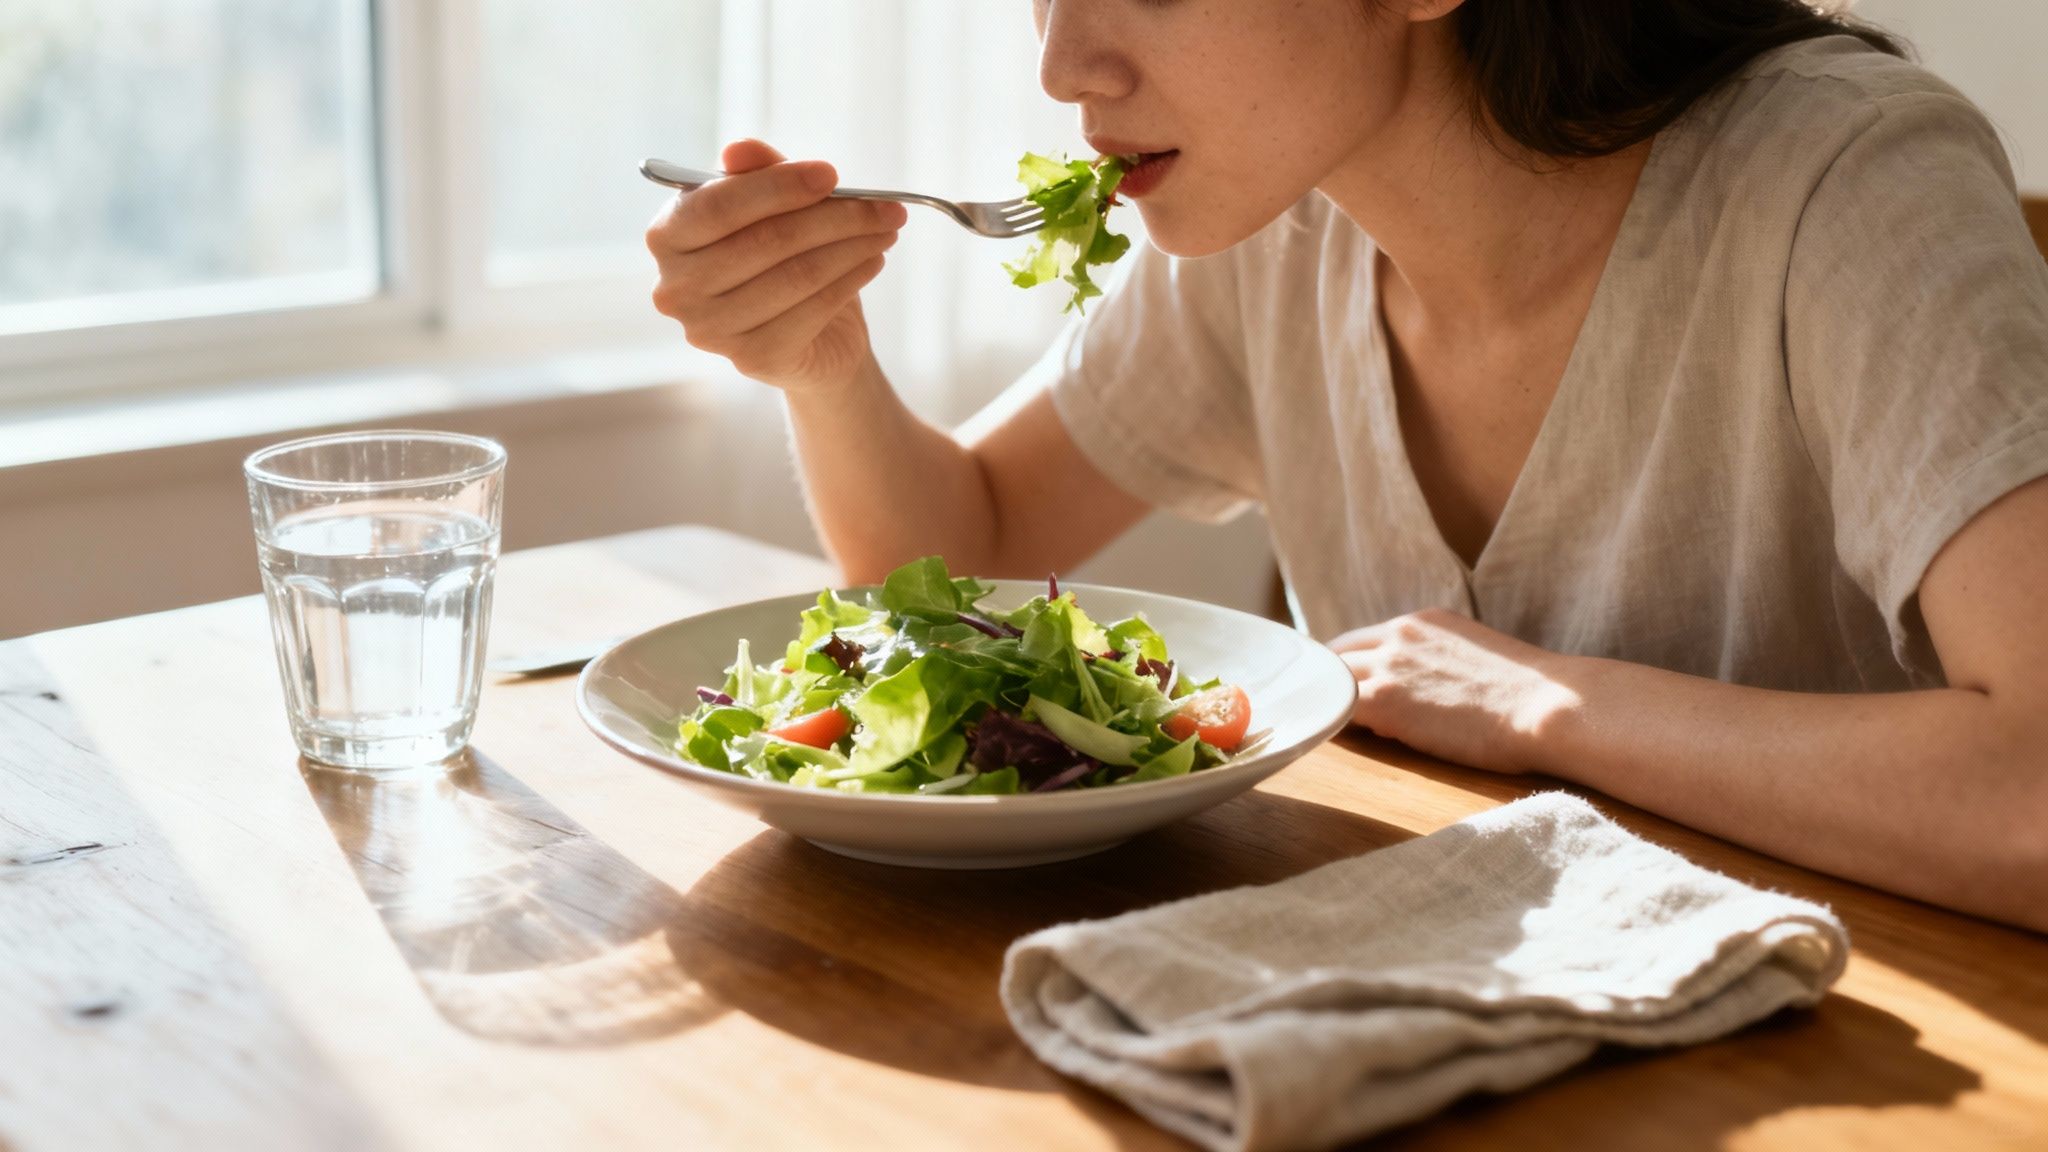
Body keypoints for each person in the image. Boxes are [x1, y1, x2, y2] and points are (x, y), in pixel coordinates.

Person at [644, 0, 2048, 932]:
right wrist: (827, 366)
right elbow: (954, 558)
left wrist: (1549, 707)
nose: (1066, 66)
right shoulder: (1274, 221)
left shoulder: (1846, 177)